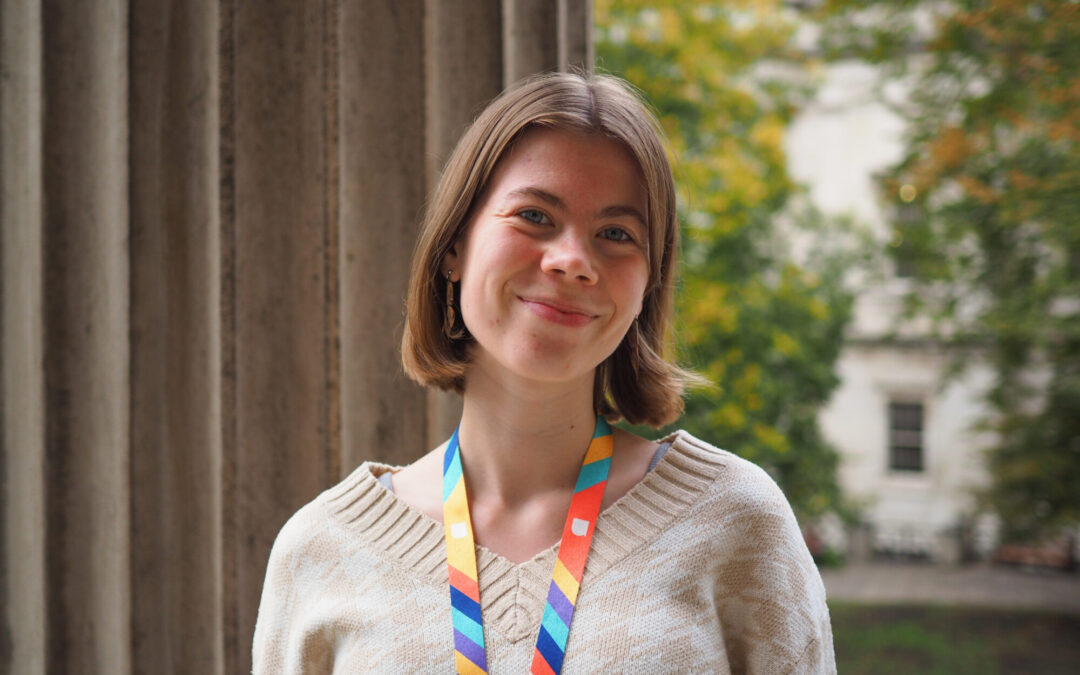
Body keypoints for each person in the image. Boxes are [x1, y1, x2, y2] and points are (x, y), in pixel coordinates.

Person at [252, 72, 835, 674]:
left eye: (616, 234)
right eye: (534, 215)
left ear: (648, 284)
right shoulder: (323, 550)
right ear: (454, 246)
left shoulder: (734, 520)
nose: (573, 260)